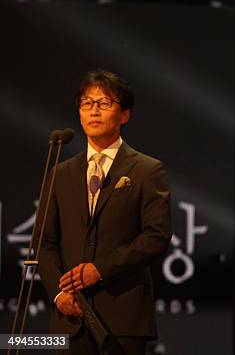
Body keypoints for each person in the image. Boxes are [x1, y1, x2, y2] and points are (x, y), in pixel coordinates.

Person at [35, 69, 172, 354]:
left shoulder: (148, 170)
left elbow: (156, 237)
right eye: (87, 103)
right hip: (69, 319)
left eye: (105, 103)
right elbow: (43, 242)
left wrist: (100, 270)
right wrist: (59, 294)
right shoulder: (61, 172)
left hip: (123, 318)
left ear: (125, 115)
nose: (94, 111)